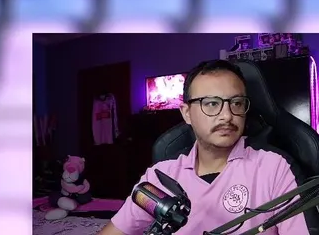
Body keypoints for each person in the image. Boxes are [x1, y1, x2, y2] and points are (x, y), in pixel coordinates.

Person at [99, 59, 308, 235]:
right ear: (186, 113)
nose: (227, 115)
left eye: (236, 103)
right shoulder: (160, 177)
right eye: (211, 103)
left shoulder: (274, 168)